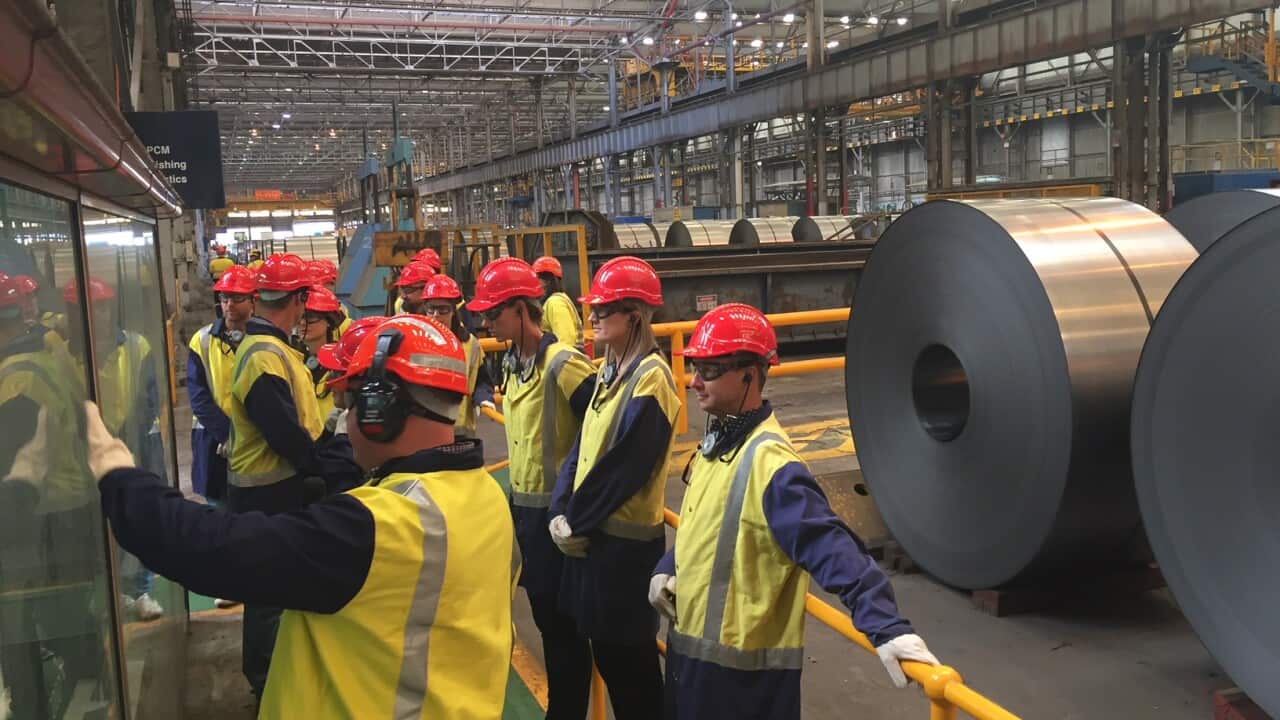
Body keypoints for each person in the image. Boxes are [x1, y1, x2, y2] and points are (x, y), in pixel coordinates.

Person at [83, 314, 519, 720]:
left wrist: (117, 474)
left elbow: (210, 549)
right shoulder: (486, 497)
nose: (345, 419)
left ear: (378, 412)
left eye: (352, 403)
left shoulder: (380, 528)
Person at [651, 303, 940, 719]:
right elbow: (704, 526)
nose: (694, 381)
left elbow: (831, 546)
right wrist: (669, 563)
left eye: (710, 370)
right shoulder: (719, 446)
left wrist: (886, 627)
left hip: (741, 690)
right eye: (695, 366)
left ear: (750, 374)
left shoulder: (771, 466)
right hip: (691, 665)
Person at [225, 253, 362, 700]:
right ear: (299, 299)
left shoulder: (271, 349)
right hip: (268, 490)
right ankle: (266, 685)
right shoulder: (266, 355)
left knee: (273, 588)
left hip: (273, 486)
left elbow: (300, 424)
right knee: (268, 593)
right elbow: (286, 435)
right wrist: (328, 466)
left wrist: (330, 451)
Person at [548, 256, 680, 720]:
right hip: (595, 544)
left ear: (635, 316)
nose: (593, 318)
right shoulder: (608, 369)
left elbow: (626, 467)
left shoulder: (652, 379)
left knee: (634, 674)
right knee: (608, 655)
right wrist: (558, 511)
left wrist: (574, 519)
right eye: (595, 310)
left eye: (604, 311)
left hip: (624, 553)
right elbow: (583, 448)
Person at [468, 258, 597, 719]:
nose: (486, 322)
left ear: (523, 309)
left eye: (493, 313)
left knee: (563, 632)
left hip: (556, 519)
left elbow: (600, 430)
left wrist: (577, 501)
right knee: (546, 620)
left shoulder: (562, 363)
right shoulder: (513, 362)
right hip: (526, 514)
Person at [64, 276, 167, 622]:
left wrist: (124, 437)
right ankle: (110, 591)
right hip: (83, 451)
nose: (99, 316)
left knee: (136, 514)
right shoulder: (61, 353)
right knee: (94, 521)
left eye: (104, 307)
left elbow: (150, 397)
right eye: (89, 310)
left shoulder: (137, 346)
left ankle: (141, 590)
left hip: (130, 444)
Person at [188, 266, 255, 507]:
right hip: (215, 438)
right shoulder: (203, 341)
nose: (230, 305)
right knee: (219, 509)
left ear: (253, 300)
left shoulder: (266, 340)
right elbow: (199, 397)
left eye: (238, 298)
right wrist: (228, 434)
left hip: (258, 439)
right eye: (225, 298)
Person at [417, 274, 493, 438]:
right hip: (425, 433)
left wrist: (484, 399)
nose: (436, 315)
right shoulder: (415, 343)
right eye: (431, 309)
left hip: (461, 436)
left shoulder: (470, 344)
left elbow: (482, 380)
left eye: (443, 309)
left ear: (454, 310)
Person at [299, 285, 346, 421]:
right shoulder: (295, 360)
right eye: (301, 317)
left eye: (310, 318)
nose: (303, 323)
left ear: (329, 322)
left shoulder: (340, 363)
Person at [532, 256, 584, 352]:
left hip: (566, 363)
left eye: (537, 279)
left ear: (546, 281)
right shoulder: (551, 302)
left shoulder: (555, 303)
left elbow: (567, 342)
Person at [308, 260, 351, 334]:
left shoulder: (341, 310)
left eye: (332, 283)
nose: (331, 288)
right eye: (329, 283)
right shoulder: (300, 309)